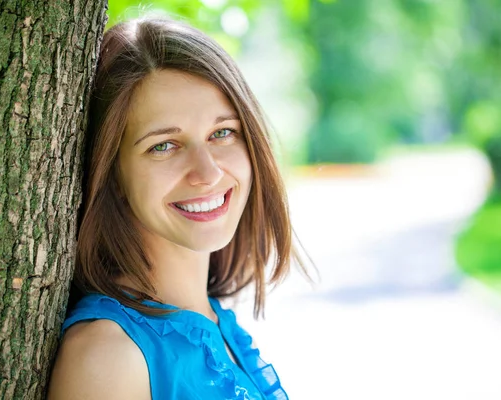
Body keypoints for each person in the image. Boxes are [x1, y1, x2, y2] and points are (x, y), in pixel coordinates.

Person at [48, 15, 309, 400]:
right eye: (164, 145)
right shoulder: (110, 356)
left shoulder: (217, 323)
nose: (207, 173)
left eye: (222, 133)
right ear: (111, 173)